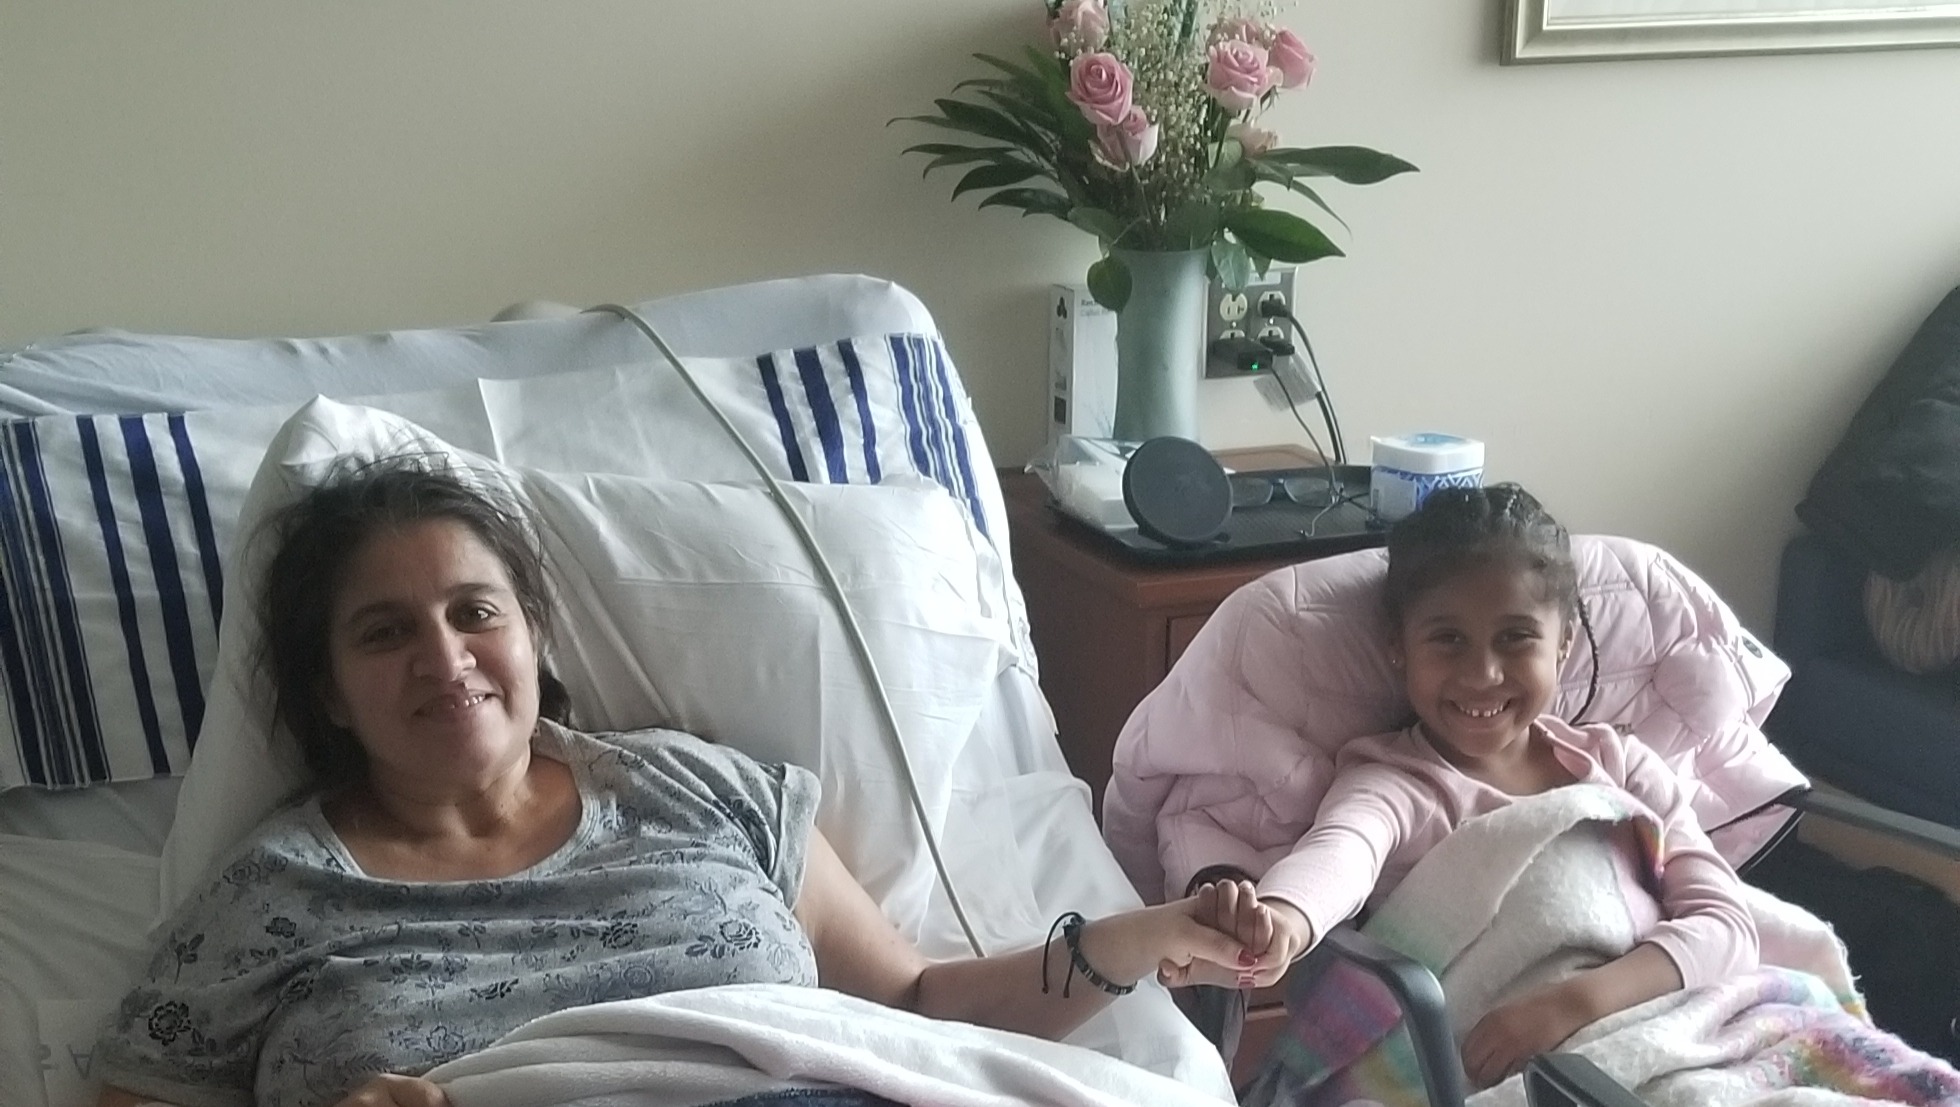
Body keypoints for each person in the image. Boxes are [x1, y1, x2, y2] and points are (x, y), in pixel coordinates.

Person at [95, 457, 1257, 1107]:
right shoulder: (273, 897)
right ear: (331, 693)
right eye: (386, 632)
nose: (444, 660)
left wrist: (1134, 940)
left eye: (473, 612)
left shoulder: (699, 792)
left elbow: (911, 1010)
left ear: (532, 637)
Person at [1204, 483, 1760, 1089]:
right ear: (1398, 647)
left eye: (1516, 638)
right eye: (1448, 640)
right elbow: (1339, 855)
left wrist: (1569, 1005)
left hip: (1667, 1035)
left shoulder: (1623, 768)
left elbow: (1727, 927)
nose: (1483, 673)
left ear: (1564, 644)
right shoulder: (1397, 786)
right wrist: (1283, 919)